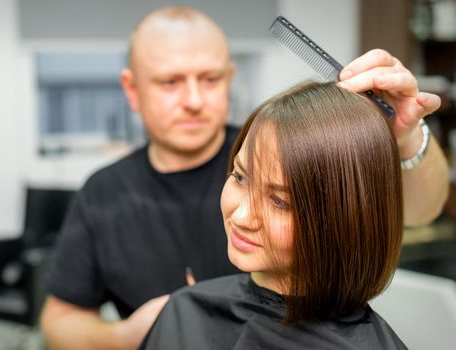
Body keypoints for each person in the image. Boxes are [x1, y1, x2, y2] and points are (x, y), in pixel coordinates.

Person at [40, 6, 448, 350]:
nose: (195, 100)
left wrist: (408, 137)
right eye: (170, 82)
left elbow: (421, 209)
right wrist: (137, 332)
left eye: (210, 79)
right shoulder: (104, 193)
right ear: (132, 90)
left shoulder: (286, 148)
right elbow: (59, 320)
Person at [141, 81, 407, 349]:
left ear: (346, 217)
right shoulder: (185, 312)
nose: (242, 216)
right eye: (240, 177)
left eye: (280, 201)